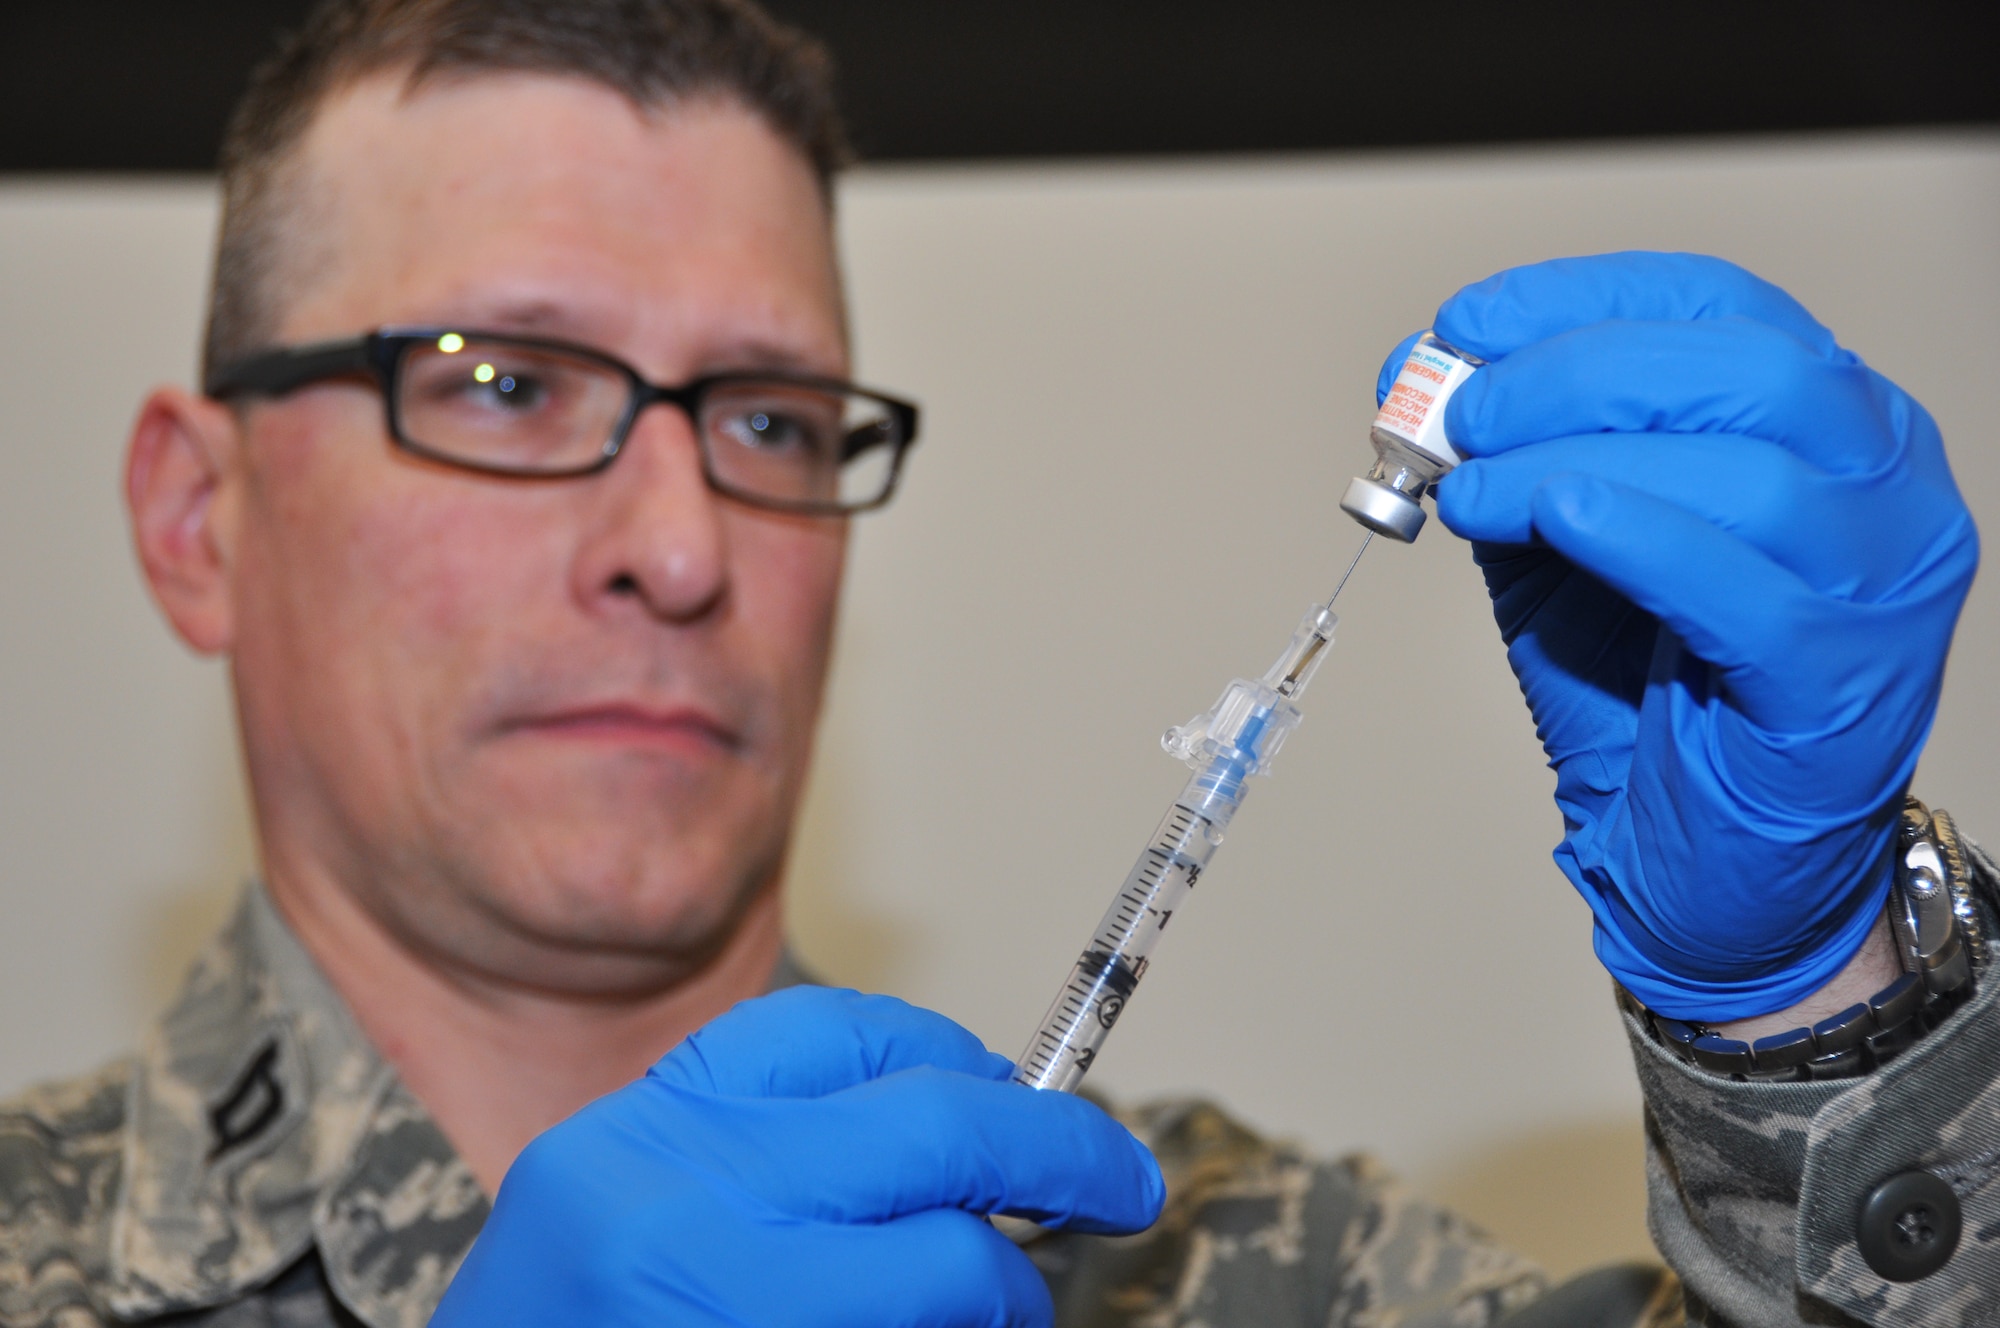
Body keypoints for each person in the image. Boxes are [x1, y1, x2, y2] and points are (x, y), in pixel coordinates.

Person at [0, 2, 1989, 1327]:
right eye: (503, 385)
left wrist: (1812, 1007)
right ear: (201, 517)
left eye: (770, 418)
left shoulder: (1208, 1255)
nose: (683, 545)